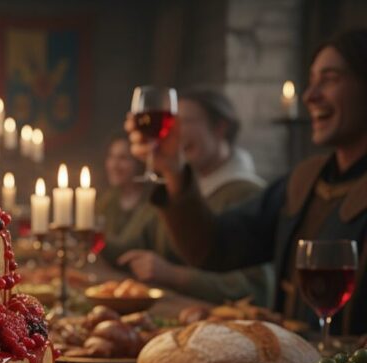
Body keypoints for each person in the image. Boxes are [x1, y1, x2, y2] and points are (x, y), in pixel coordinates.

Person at [126, 29, 367, 334]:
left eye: (330, 79)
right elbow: (215, 246)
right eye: (312, 80)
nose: (310, 95)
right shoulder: (305, 180)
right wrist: (173, 169)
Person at [117, 88, 274, 306]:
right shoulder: (180, 190)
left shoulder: (245, 193)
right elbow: (130, 246)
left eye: (186, 121)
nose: (175, 132)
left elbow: (254, 289)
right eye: (173, 121)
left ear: (220, 127)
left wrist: (172, 275)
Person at [98, 134, 156, 261]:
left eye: (123, 158)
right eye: (111, 157)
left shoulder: (153, 204)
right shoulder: (107, 201)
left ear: (139, 162)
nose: (114, 165)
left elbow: (125, 249)